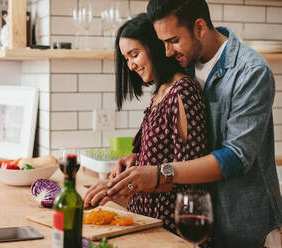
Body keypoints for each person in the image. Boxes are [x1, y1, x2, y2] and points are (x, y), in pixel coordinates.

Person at [99, 0, 282, 247]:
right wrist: (143, 158)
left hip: (244, 224)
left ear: (199, 27)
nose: (166, 52)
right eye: (162, 42)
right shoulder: (186, 64)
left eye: (173, 40)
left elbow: (236, 157)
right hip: (201, 221)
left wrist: (158, 172)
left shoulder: (250, 71)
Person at [83, 13, 209, 238]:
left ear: (154, 47)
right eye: (126, 58)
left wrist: (122, 187)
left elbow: (188, 173)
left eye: (134, 54)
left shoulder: (183, 92)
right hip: (144, 220)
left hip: (169, 227)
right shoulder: (161, 92)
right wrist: (138, 160)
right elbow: (163, 157)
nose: (130, 65)